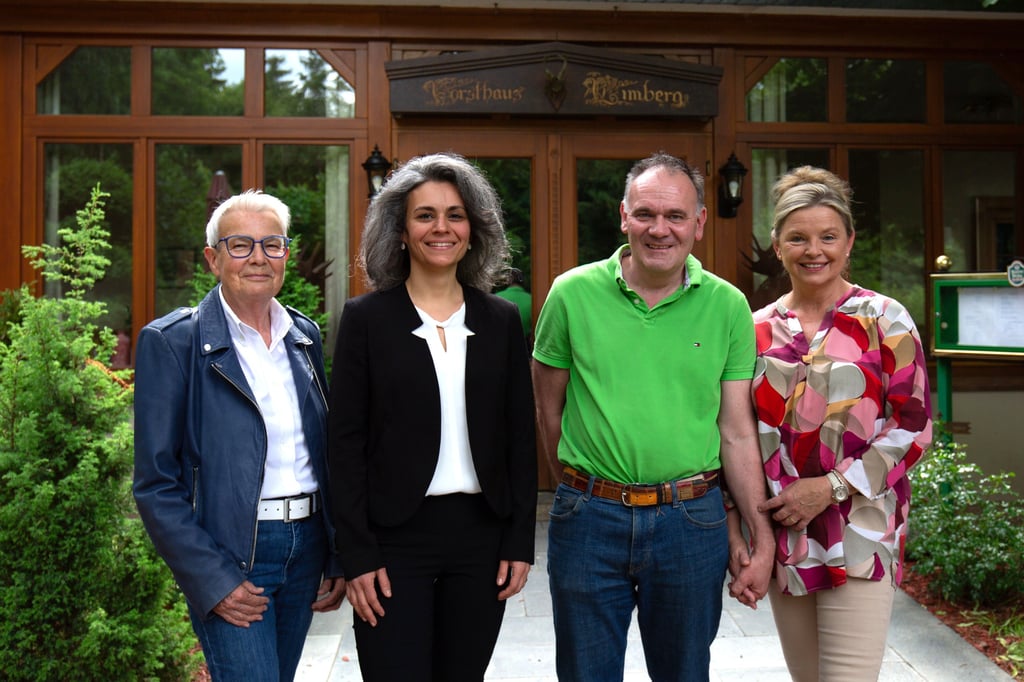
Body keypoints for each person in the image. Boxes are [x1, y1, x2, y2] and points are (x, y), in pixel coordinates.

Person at [532, 152, 775, 682]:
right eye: (645, 214)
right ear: (623, 216)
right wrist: (577, 492)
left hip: (691, 523)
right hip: (588, 521)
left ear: (700, 222)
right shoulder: (570, 294)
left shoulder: (728, 306)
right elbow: (547, 409)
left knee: (685, 674)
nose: (659, 229)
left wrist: (762, 537)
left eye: (675, 216)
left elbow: (735, 432)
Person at [328, 152, 537, 681]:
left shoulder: (501, 320)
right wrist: (356, 553)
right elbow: (344, 446)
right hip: (393, 542)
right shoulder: (365, 320)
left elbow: (518, 438)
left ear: (474, 230)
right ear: (399, 230)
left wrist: (519, 540)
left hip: (482, 539)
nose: (441, 227)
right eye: (425, 215)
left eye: (455, 214)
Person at [133, 190, 345, 681]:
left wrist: (334, 551)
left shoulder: (303, 336)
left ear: (286, 255)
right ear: (213, 259)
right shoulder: (173, 342)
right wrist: (212, 578)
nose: (258, 258)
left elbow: (322, 453)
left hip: (307, 545)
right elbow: (155, 484)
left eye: (272, 245)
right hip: (234, 553)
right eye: (240, 245)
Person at [749, 166, 933, 681]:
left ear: (849, 242)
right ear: (778, 245)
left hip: (861, 530)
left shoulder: (885, 318)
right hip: (788, 532)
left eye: (828, 236)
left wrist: (831, 487)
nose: (815, 250)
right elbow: (738, 431)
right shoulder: (755, 328)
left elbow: (913, 426)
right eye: (798, 238)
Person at [495, 266, 533, 339]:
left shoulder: (496, 298)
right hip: (525, 345)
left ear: (507, 281)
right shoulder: (532, 300)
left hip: (499, 343)